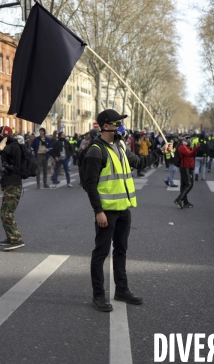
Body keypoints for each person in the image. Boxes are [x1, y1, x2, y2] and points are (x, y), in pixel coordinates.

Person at [83, 109, 172, 312]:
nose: (120, 127)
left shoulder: (120, 145)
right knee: (101, 253)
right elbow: (90, 184)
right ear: (105, 126)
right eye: (117, 123)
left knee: (121, 251)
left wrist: (161, 152)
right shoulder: (96, 150)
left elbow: (140, 163)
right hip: (107, 210)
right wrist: (98, 211)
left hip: (124, 209)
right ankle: (98, 295)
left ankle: (121, 290)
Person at [0, 133, 25, 250]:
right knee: (4, 213)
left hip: (13, 185)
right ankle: (10, 237)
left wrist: (5, 138)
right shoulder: (9, 146)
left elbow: (0, 148)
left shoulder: (14, 146)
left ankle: (16, 239)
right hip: (9, 184)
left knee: (7, 213)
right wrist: (0, 138)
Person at [174, 135, 199, 208]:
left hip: (187, 167)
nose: (190, 140)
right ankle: (178, 199)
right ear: (184, 139)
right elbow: (189, 154)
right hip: (185, 167)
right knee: (189, 184)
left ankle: (185, 201)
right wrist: (196, 148)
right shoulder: (182, 147)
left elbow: (192, 154)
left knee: (184, 185)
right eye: (188, 139)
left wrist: (194, 149)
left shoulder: (186, 146)